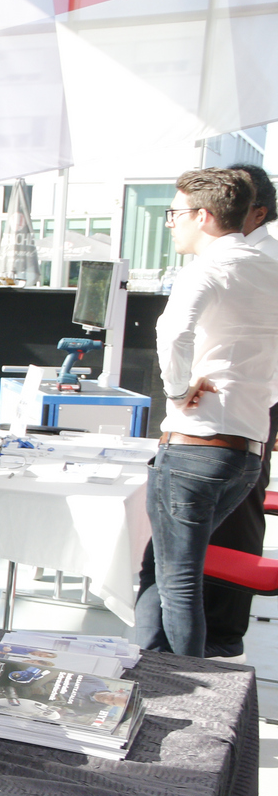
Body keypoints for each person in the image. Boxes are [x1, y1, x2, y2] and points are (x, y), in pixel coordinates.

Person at [131, 168, 278, 658]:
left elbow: (173, 332)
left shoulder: (208, 269)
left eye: (174, 213)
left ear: (204, 216)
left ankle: (188, 681)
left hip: (197, 445)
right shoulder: (269, 268)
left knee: (177, 579)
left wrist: (177, 391)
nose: (170, 222)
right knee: (162, 568)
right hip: (246, 449)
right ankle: (150, 667)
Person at [203, 163, 278, 660]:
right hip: (247, 400)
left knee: (237, 507)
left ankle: (224, 632)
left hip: (252, 401)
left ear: (257, 211)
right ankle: (218, 627)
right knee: (231, 506)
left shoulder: (261, 258)